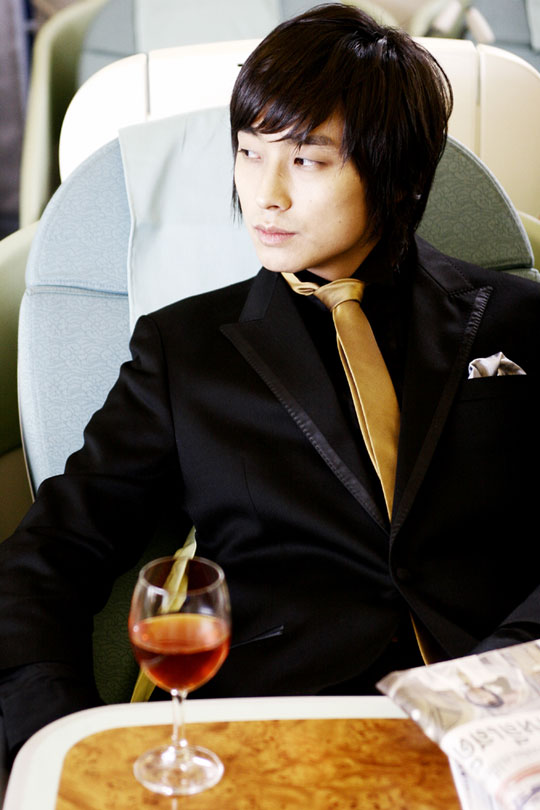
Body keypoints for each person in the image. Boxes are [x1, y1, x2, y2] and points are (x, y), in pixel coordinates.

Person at [1, 2, 540, 768]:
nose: (266, 195)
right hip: (276, 725)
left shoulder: (520, 318)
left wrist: (506, 678)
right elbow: (50, 553)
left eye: (308, 161)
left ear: (400, 176)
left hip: (504, 718)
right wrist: (61, 742)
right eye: (249, 153)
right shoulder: (184, 349)